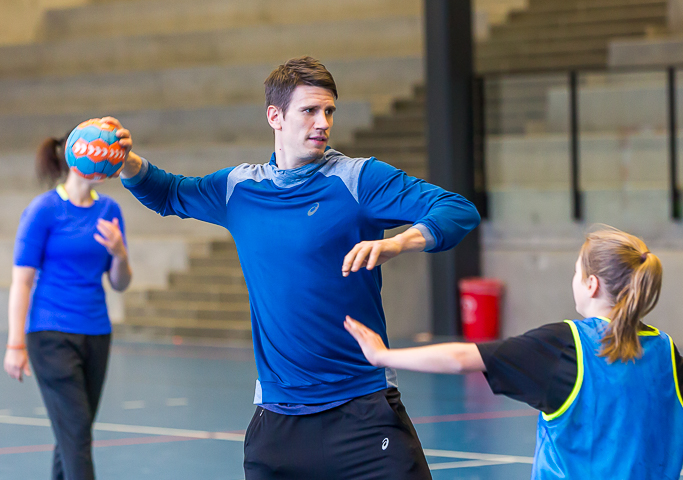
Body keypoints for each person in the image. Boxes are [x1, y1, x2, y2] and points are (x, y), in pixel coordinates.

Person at [107, 55, 480, 479]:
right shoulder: (238, 189)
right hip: (277, 423)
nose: (323, 122)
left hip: (362, 409)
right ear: (275, 116)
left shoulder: (359, 179)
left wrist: (398, 242)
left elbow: (457, 209)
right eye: (309, 111)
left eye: (329, 111)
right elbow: (170, 193)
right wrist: (128, 163)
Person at [345, 226, 683, 480]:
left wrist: (383, 356)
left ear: (591, 284)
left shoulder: (565, 346)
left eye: (577, 272)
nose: (575, 279)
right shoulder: (664, 351)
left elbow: (461, 358)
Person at [3, 132, 132, 480]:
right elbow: (22, 282)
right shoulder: (43, 210)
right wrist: (15, 344)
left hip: (96, 333)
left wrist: (119, 253)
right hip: (49, 336)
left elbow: (120, 282)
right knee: (76, 434)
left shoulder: (109, 209)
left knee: (72, 434)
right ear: (75, 157)